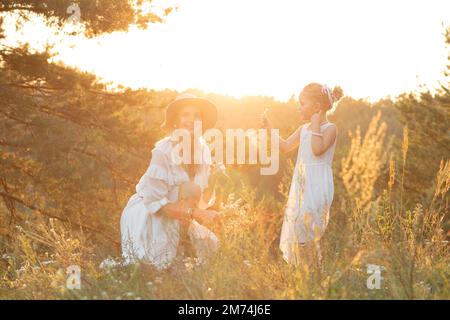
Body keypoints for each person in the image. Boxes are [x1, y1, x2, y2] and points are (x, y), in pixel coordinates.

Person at [120, 93, 221, 270]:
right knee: (159, 265)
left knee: (212, 247)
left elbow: (194, 192)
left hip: (181, 213)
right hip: (151, 214)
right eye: (185, 115)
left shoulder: (203, 150)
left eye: (196, 116)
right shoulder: (163, 151)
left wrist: (215, 178)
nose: (191, 120)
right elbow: (155, 204)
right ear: (175, 120)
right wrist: (194, 213)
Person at [262, 83, 344, 266]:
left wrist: (315, 123)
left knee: (309, 228)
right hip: (302, 185)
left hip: (318, 186)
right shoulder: (303, 129)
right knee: (298, 227)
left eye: (303, 103)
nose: (299, 107)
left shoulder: (330, 129)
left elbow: (317, 150)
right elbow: (284, 147)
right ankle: (303, 272)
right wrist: (269, 128)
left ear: (316, 107)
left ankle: (313, 270)